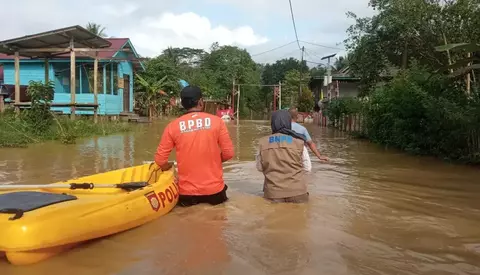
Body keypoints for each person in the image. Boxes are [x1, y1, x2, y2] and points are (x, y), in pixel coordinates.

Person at [154, 85, 235, 207]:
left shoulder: (172, 127)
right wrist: (214, 161)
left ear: (182, 104)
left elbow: (160, 161)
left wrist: (169, 166)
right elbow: (229, 153)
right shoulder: (217, 122)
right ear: (201, 102)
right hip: (215, 192)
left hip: (187, 193)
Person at [255, 110, 312, 203]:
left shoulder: (263, 143)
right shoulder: (299, 142)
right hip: (298, 193)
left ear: (272, 123)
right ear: (288, 122)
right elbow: (307, 168)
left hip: (273, 194)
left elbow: (259, 167)